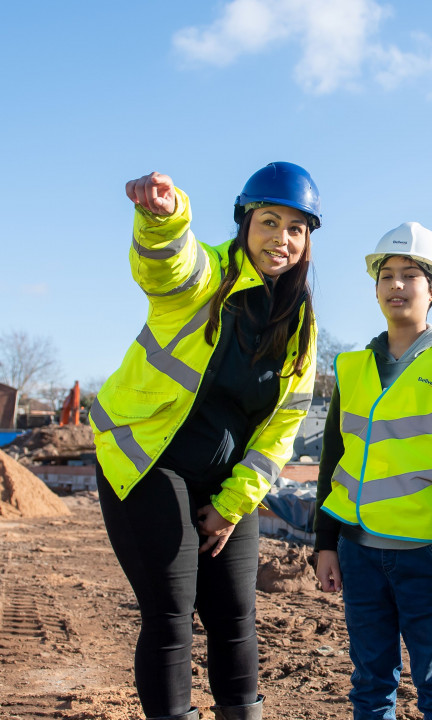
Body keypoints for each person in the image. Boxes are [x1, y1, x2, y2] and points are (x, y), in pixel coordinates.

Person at [92, 162, 321, 720]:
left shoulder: (300, 324)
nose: (282, 239)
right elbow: (168, 266)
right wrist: (164, 219)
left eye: (296, 229)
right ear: (245, 222)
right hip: (148, 461)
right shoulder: (211, 274)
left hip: (223, 479)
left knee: (235, 612)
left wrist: (230, 505)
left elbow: (282, 429)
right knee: (171, 612)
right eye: (269, 221)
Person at [313, 222, 432, 720]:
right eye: (386, 275)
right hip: (360, 552)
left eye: (409, 275)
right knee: (370, 684)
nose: (395, 285)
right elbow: (334, 463)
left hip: (429, 558)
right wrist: (325, 544)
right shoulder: (352, 368)